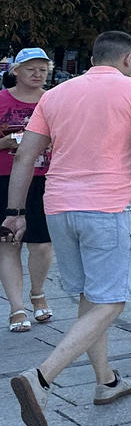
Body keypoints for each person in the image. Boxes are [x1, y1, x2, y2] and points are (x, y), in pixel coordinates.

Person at [3, 31, 131, 426]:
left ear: (92, 58)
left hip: (58, 206)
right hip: (108, 207)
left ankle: (105, 382)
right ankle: (42, 376)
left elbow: (26, 155)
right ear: (128, 58)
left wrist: (15, 211)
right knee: (114, 299)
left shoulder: (56, 95)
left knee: (90, 296)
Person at [0, 48, 54, 333]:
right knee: (9, 242)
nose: (38, 74)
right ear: (15, 71)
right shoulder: (1, 100)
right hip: (6, 177)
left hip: (46, 178)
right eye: (31, 68)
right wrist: (5, 143)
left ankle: (38, 292)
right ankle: (16, 308)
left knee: (43, 244)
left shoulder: (54, 99)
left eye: (43, 69)